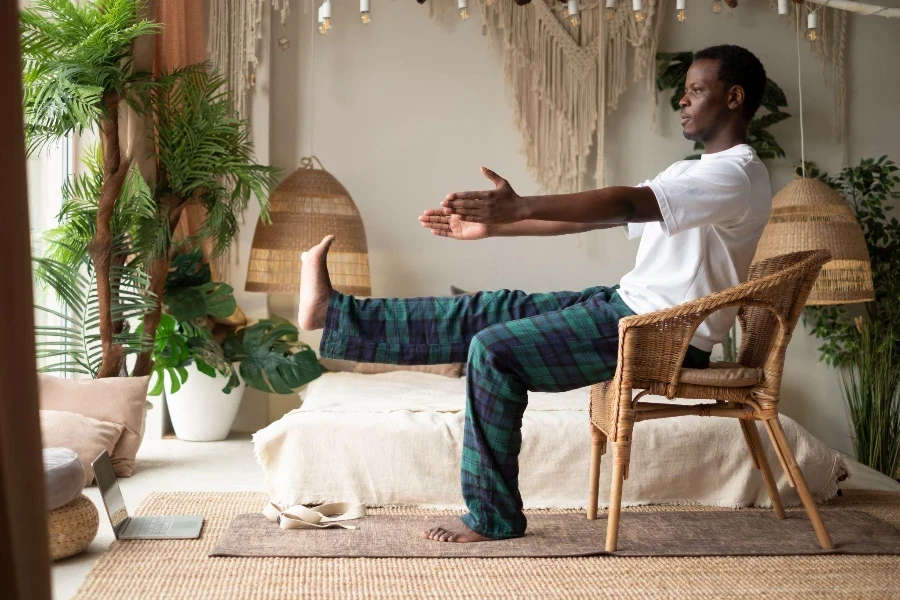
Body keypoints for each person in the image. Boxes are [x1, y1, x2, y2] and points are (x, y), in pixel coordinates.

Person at [296, 44, 773, 543]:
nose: (683, 101)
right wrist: (498, 227)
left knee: (494, 351)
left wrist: (519, 207)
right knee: (489, 310)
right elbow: (607, 215)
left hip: (664, 335)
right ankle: (335, 312)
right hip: (630, 308)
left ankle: (492, 517)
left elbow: (624, 201)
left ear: (734, 97)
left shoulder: (735, 175)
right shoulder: (693, 171)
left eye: (696, 90)